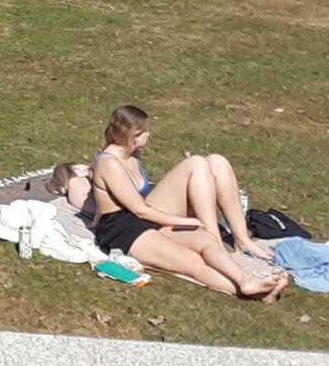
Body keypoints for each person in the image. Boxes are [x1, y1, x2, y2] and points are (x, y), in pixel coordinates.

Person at [88, 105, 287, 298]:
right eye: (145, 131)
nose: (149, 135)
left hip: (146, 219)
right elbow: (140, 210)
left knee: (206, 241)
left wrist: (94, 221)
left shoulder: (131, 154)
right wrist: (184, 221)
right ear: (133, 137)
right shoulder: (109, 163)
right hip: (122, 230)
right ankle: (257, 293)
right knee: (192, 262)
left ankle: (246, 280)